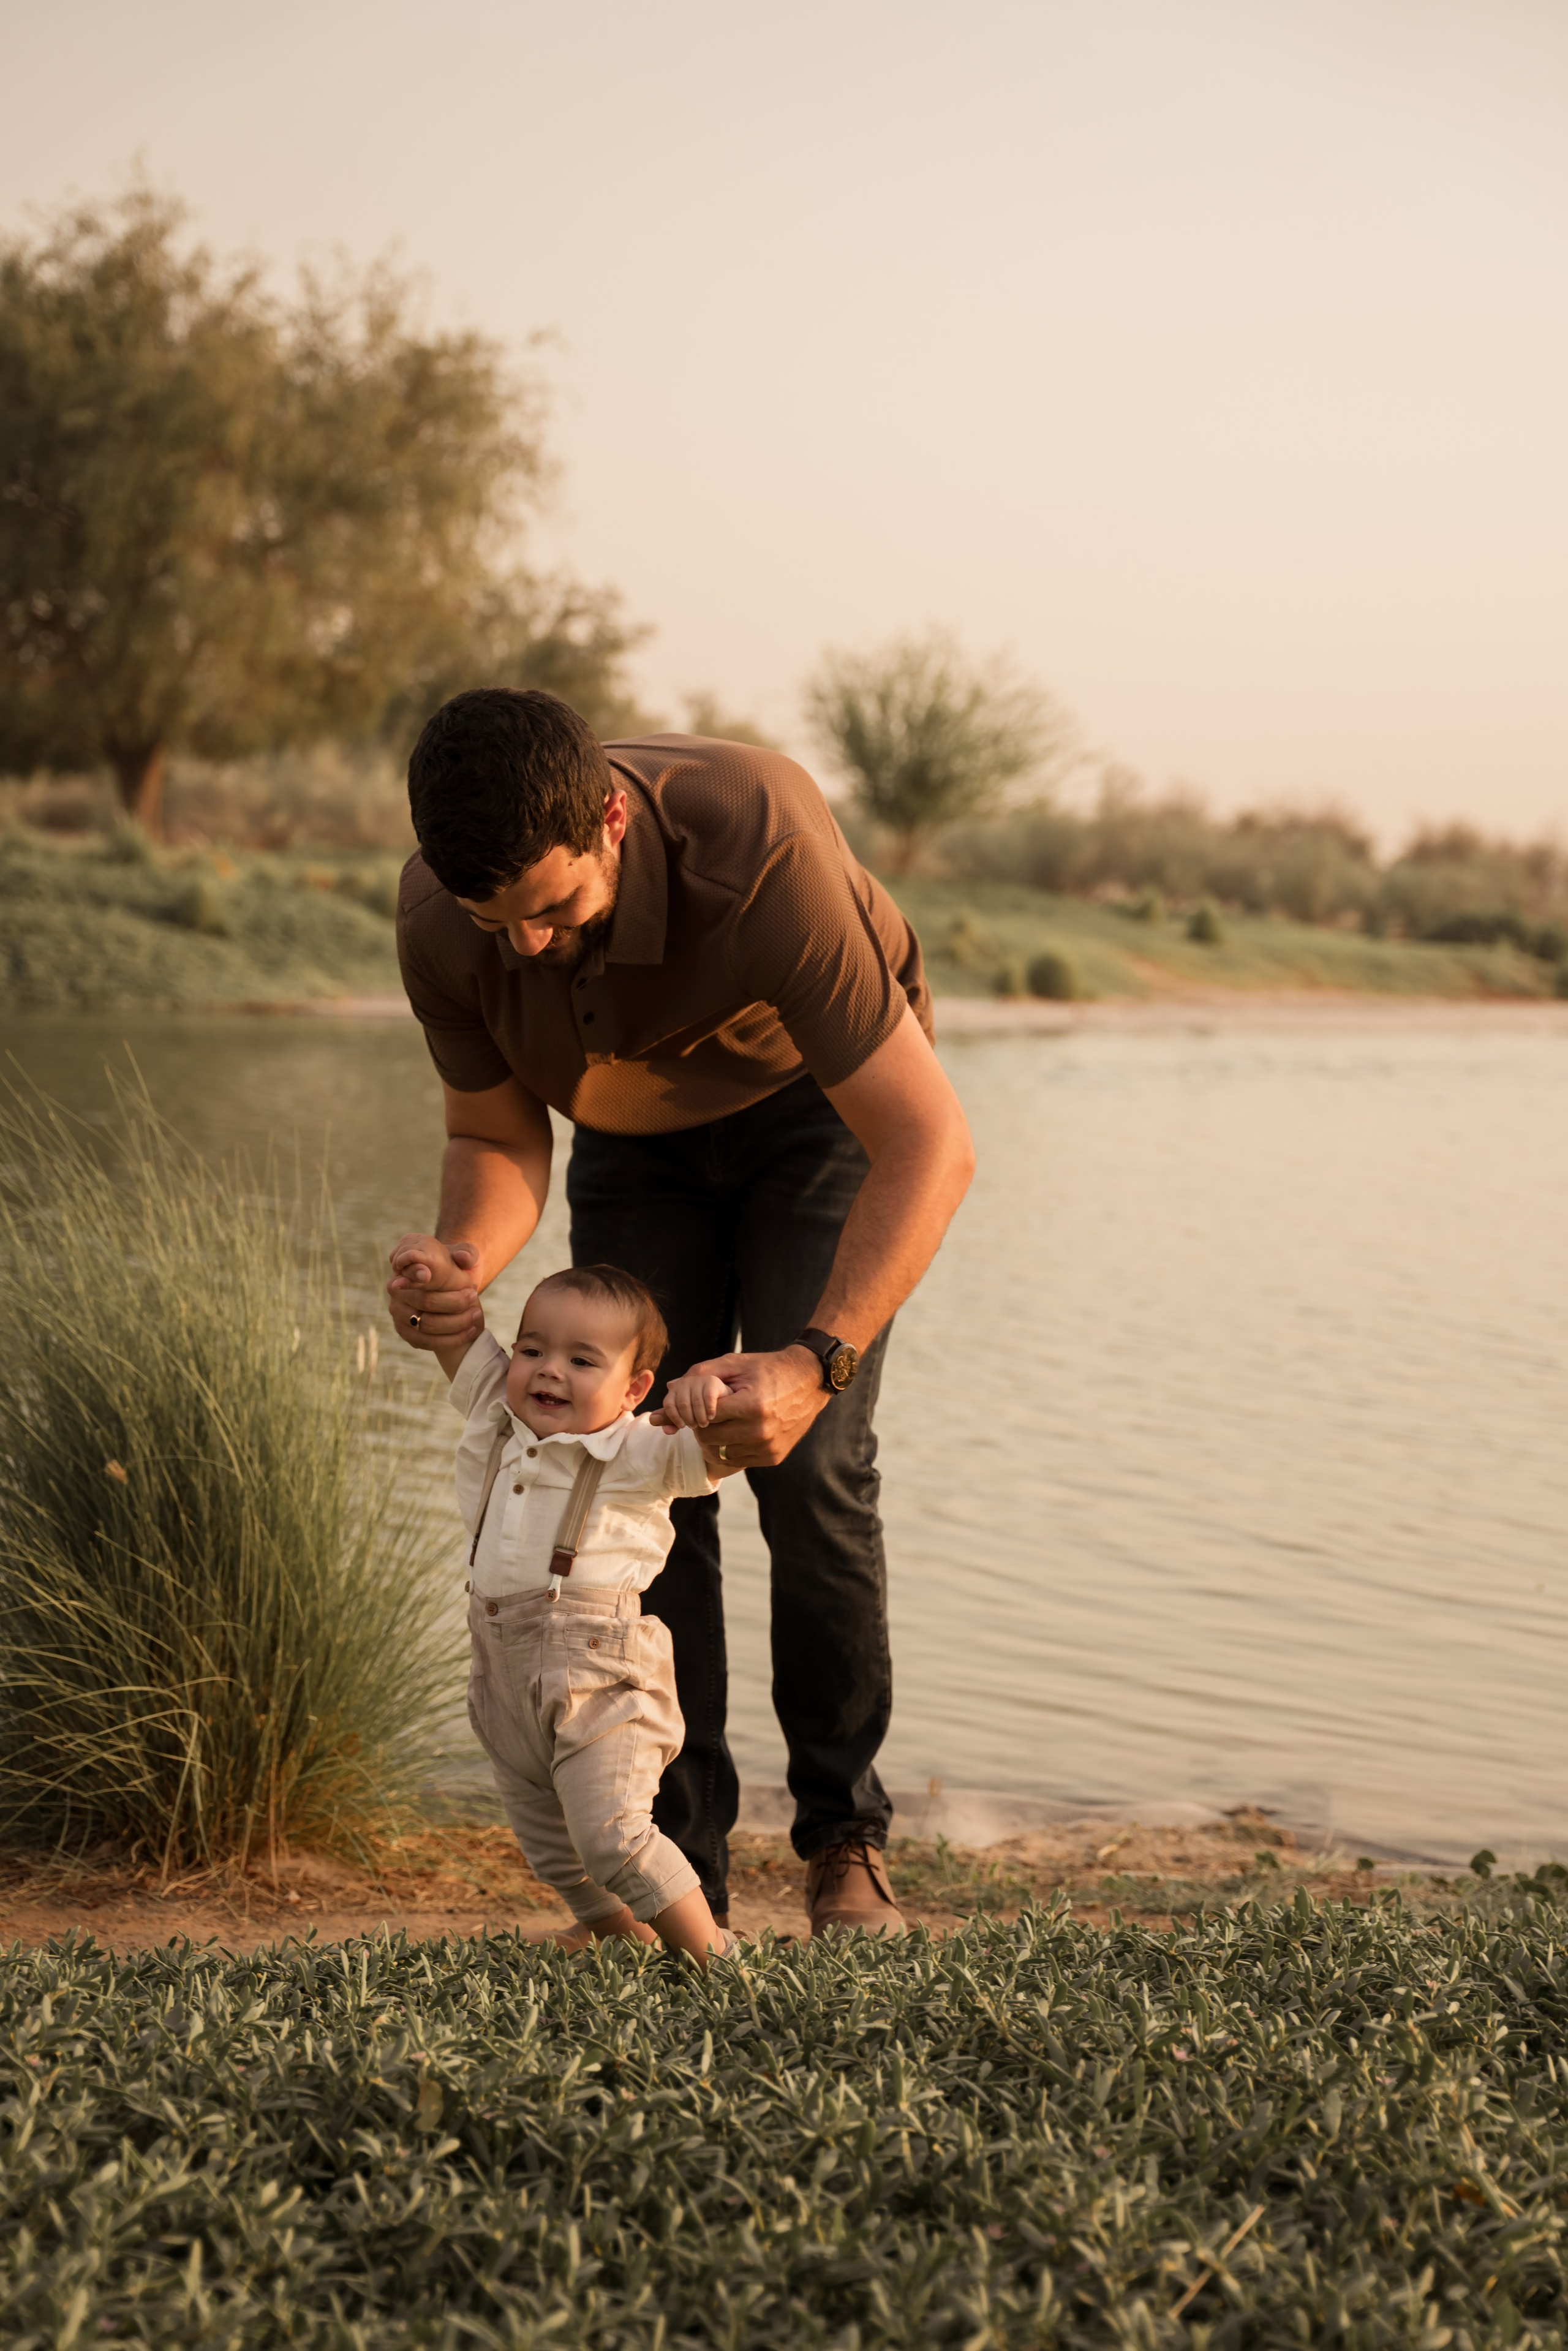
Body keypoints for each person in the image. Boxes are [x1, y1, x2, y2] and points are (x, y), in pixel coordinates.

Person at [387, 689, 974, 1937]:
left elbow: (928, 1142)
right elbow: (493, 1131)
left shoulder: (755, 835)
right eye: (502, 924)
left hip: (819, 1116)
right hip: (632, 1136)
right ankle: (676, 1859)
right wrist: (461, 1259)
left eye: (552, 908)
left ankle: (842, 1840)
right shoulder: (443, 917)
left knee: (806, 1462)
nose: (529, 945)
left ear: (610, 818)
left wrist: (812, 1361)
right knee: (633, 1466)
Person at [419, 1253, 742, 1963]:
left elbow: (725, 1448)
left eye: (580, 1359)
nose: (547, 1369)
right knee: (555, 1854)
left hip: (599, 1676)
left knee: (613, 1836)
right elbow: (451, 1331)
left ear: (634, 1388)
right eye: (531, 1348)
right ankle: (626, 1941)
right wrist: (428, 1278)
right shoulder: (493, 1414)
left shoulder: (639, 1449)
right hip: (502, 1674)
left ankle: (714, 1962)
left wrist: (711, 1398)